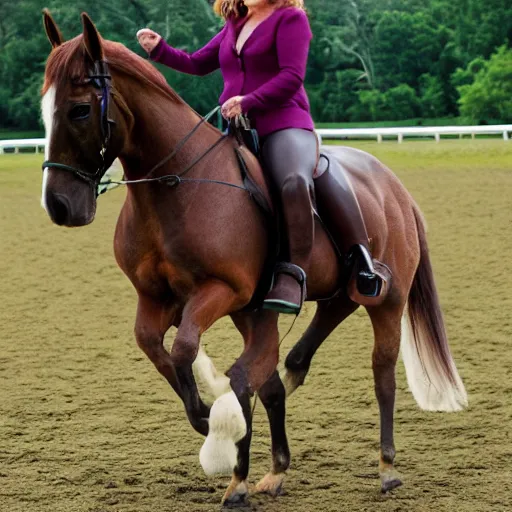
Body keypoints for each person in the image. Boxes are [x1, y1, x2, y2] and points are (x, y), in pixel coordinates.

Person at [137, 0, 385, 314]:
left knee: (294, 181)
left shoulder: (291, 19)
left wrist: (249, 100)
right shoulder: (235, 23)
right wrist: (160, 49)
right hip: (237, 130)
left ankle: (300, 272)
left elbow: (292, 76)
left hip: (284, 124)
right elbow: (198, 63)